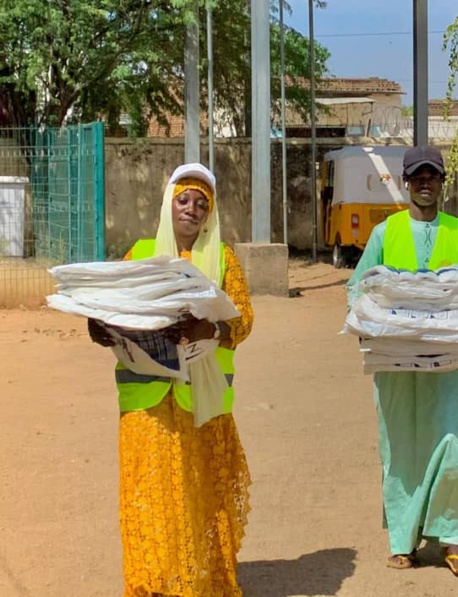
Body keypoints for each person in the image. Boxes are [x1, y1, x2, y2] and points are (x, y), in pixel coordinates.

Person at [88, 163, 254, 597]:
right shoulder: (139, 253)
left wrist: (215, 331)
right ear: (168, 204)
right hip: (146, 400)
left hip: (200, 400)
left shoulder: (223, 259)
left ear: (210, 214)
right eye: (184, 200)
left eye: (202, 204)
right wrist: (99, 328)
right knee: (150, 495)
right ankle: (154, 584)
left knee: (197, 495)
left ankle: (199, 581)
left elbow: (244, 319)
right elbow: (112, 308)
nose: (192, 209)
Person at [346, 146, 458, 576]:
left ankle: (450, 538)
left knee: (451, 446)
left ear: (443, 182)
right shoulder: (386, 234)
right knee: (400, 447)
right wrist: (368, 320)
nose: (426, 182)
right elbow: (358, 288)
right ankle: (402, 541)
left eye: (433, 176)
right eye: (418, 176)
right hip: (396, 367)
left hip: (444, 367)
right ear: (406, 183)